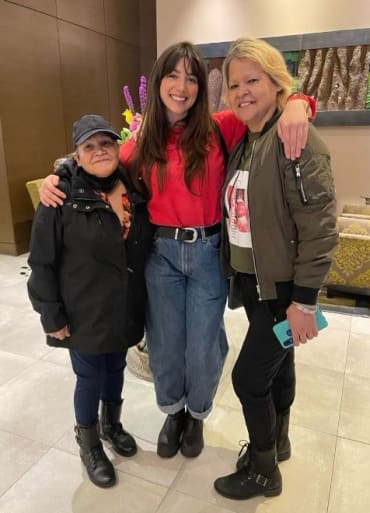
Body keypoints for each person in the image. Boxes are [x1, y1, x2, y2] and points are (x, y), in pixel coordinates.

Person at [38, 42, 315, 460]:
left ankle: (197, 413)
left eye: (191, 77)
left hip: (207, 252)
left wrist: (298, 103)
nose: (182, 86)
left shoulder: (221, 127)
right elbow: (96, 162)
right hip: (160, 255)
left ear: (201, 86)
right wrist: (56, 176)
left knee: (204, 343)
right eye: (173, 75)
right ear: (160, 82)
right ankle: (173, 411)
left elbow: (267, 110)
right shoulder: (141, 140)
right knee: (165, 343)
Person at [212, 37, 338, 501]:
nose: (243, 90)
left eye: (253, 80)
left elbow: (321, 229)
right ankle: (278, 441)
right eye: (234, 83)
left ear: (275, 82)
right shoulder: (249, 139)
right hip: (255, 282)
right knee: (278, 366)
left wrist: (305, 302)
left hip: (283, 289)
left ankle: (264, 470)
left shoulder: (294, 138)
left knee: (248, 379)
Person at [27, 114, 153, 488]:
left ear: (117, 148)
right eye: (89, 146)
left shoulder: (130, 185)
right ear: (77, 156)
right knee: (90, 375)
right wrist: (51, 315)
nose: (100, 151)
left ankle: (112, 425)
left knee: (115, 367)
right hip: (82, 309)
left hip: (123, 304)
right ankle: (89, 443)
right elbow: (41, 261)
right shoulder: (59, 197)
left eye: (106, 143)